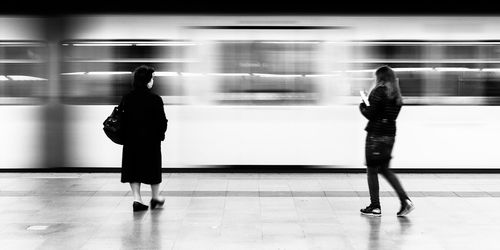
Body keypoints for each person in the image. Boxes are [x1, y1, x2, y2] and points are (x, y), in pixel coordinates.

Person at [359, 65, 414, 217]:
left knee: (371, 169)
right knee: (384, 169)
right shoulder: (396, 95)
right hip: (390, 136)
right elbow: (388, 114)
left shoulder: (379, 91)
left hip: (376, 135)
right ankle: (405, 201)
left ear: (380, 77)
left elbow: (371, 113)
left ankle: (375, 206)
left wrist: (362, 104)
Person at [121, 65, 168, 212]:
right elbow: (162, 122)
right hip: (151, 142)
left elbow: (122, 119)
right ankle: (155, 198)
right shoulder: (155, 99)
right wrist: (161, 134)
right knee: (153, 169)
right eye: (152, 78)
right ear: (147, 81)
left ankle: (137, 199)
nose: (153, 81)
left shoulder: (127, 98)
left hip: (131, 141)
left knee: (133, 169)